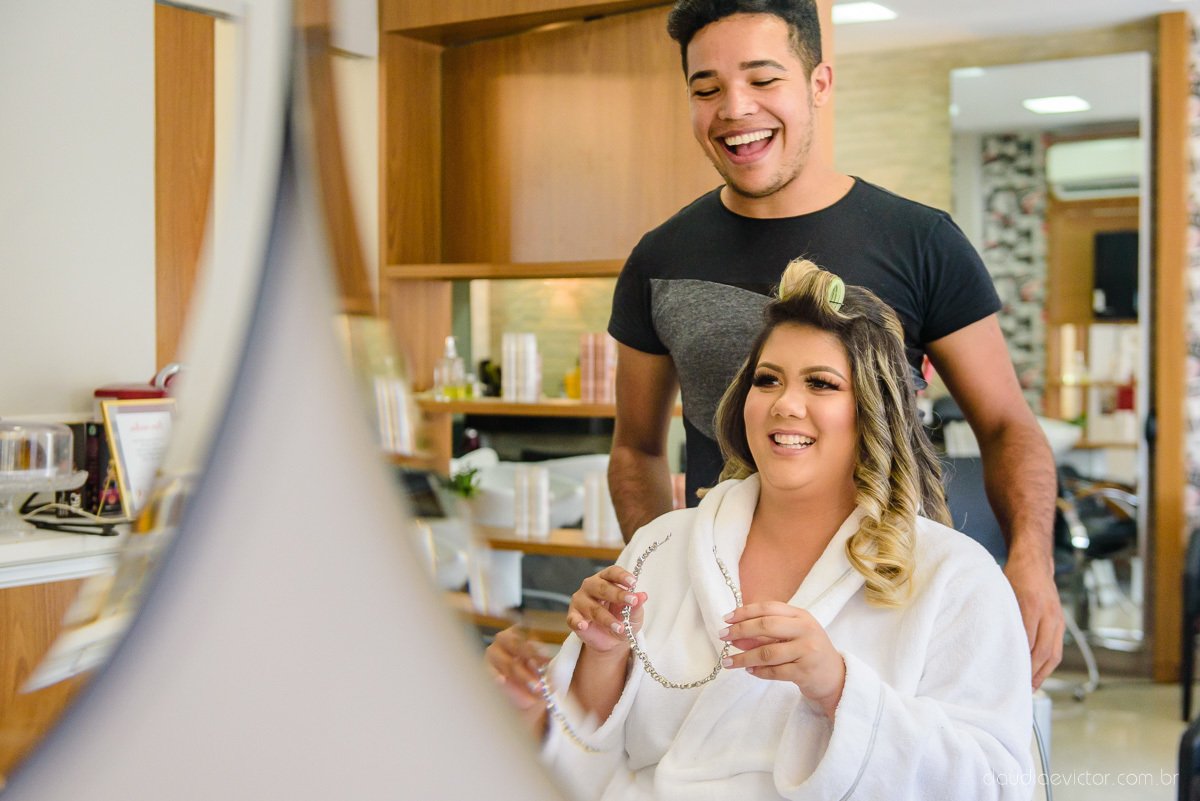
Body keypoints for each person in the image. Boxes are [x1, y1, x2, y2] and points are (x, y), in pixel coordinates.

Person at [605, 0, 1062, 687]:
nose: (734, 108)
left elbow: (1005, 425)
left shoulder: (922, 242)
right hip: (723, 626)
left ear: (819, 84)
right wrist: (658, 574)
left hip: (890, 610)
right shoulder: (658, 258)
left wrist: (1032, 558)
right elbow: (636, 448)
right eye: (706, 89)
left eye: (763, 80)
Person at [488, 260, 1034, 801]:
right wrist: (575, 677)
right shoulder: (664, 545)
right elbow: (575, 755)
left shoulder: (955, 579)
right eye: (766, 379)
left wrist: (837, 687)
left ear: (873, 411)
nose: (784, 404)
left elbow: (998, 785)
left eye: (821, 383)